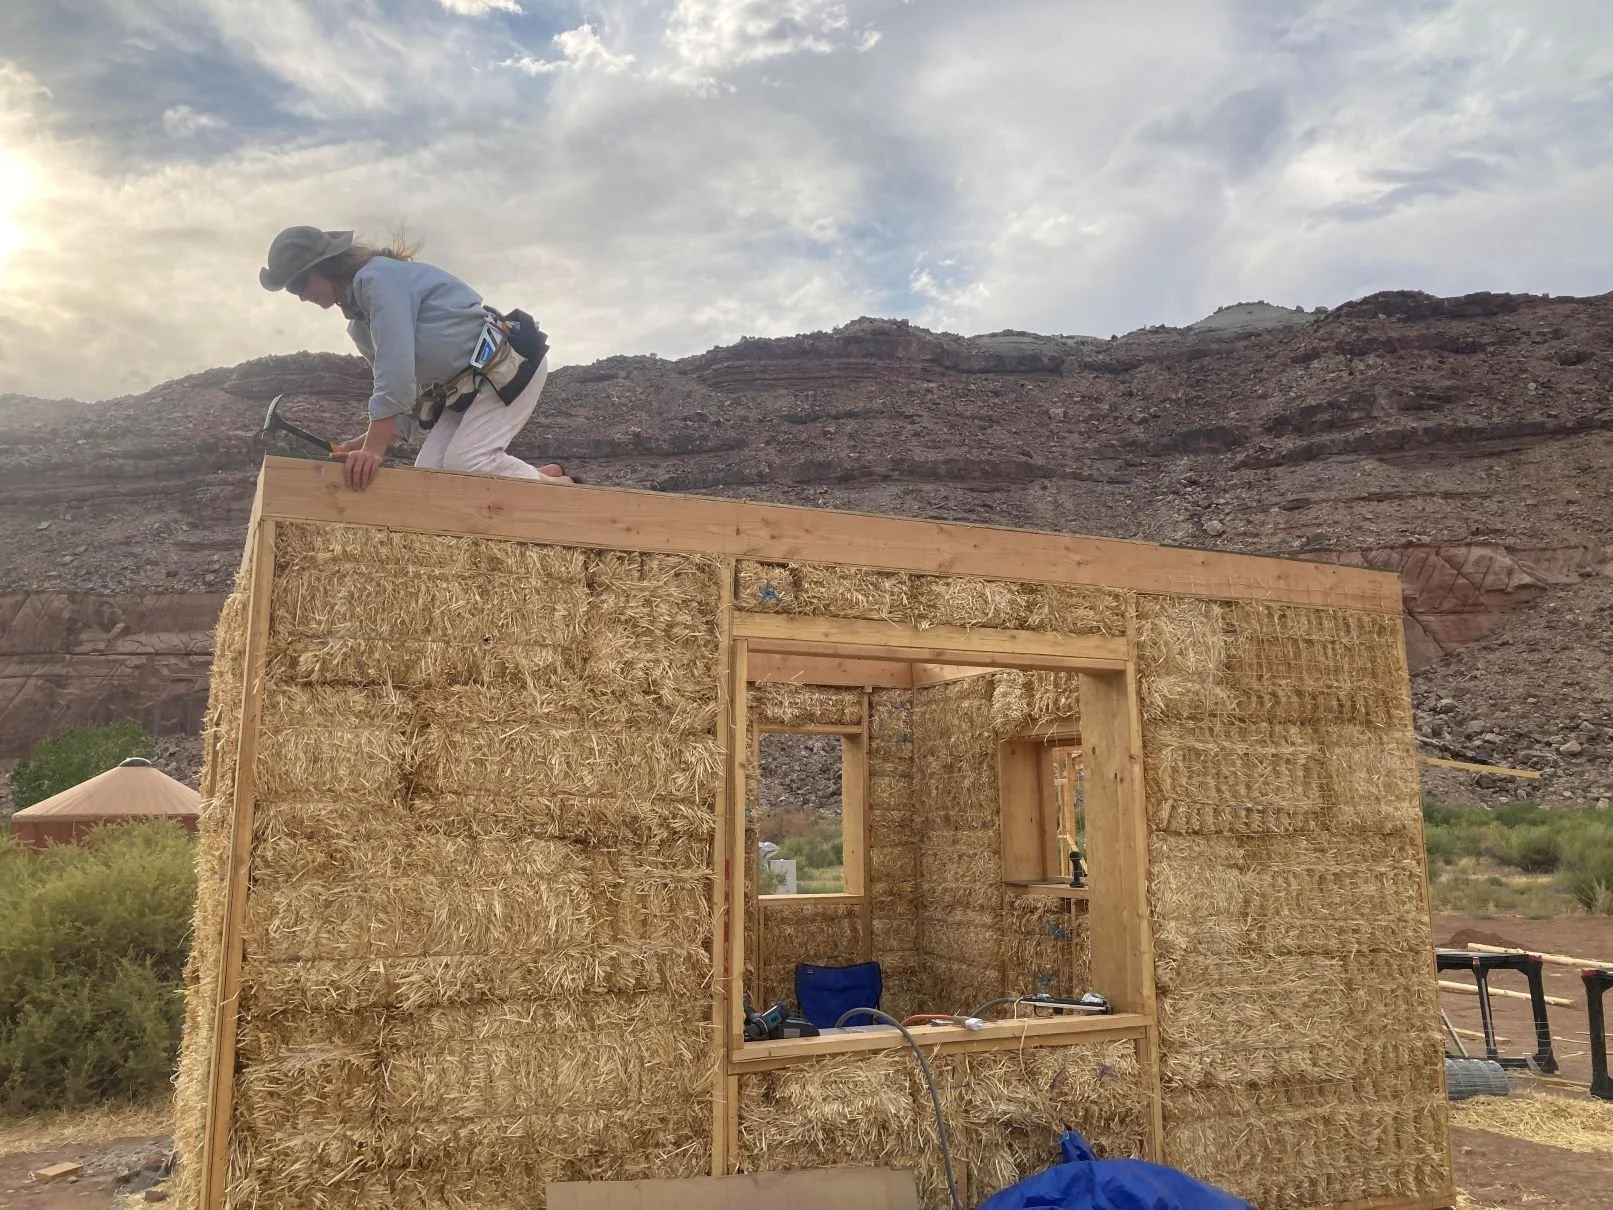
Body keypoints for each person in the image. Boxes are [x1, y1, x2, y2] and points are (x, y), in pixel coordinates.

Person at [258, 225, 573, 491]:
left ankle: (563, 491)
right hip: (464, 387)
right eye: (291, 289)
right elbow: (407, 392)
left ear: (326, 266)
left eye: (300, 282)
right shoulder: (359, 326)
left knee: (467, 463)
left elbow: (393, 373)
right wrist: (364, 442)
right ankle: (542, 477)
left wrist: (374, 451)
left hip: (507, 365)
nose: (300, 296)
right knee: (431, 477)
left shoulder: (376, 280)